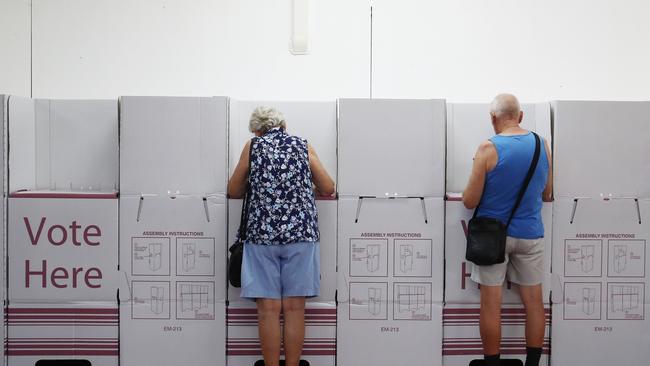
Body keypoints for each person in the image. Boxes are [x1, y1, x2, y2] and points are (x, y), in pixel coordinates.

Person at [228, 106, 335, 366]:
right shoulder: (302, 145)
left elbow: (233, 190)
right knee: (295, 309)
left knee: (268, 310)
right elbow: (328, 187)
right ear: (284, 125)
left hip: (261, 237)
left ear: (257, 130)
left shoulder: (253, 147)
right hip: (300, 235)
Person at [462, 94, 553, 366]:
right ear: (521, 116)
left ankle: (492, 363)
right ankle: (533, 364)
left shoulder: (487, 149)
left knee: (491, 303)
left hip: (493, 238)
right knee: (534, 303)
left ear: (493, 118)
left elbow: (469, 200)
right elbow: (547, 194)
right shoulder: (542, 145)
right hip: (530, 235)